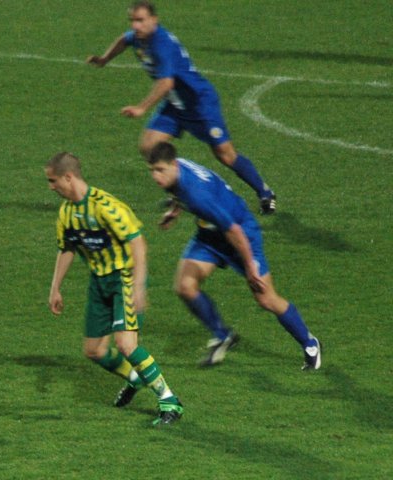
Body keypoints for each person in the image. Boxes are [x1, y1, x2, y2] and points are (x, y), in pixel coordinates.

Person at [87, 1, 277, 215]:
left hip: (199, 104)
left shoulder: (161, 43)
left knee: (225, 155)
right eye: (132, 20)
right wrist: (105, 59)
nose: (135, 25)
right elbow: (124, 40)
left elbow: (166, 82)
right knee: (149, 146)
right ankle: (178, 195)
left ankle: (265, 192)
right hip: (175, 104)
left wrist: (142, 108)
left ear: (154, 20)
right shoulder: (139, 37)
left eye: (140, 20)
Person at [146, 141, 321, 370]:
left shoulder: (197, 193)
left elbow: (234, 231)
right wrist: (174, 210)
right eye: (152, 171)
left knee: (266, 298)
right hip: (210, 235)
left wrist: (250, 267)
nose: (156, 177)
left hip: (241, 235)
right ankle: (222, 335)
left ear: (173, 165)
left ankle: (309, 343)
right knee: (184, 285)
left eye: (160, 170)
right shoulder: (177, 173)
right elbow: (179, 193)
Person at [45, 151, 184, 426]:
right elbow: (67, 248)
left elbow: (138, 244)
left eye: (53, 180)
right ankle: (135, 378)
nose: (51, 187)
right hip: (98, 282)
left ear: (68, 177)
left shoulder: (107, 207)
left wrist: (139, 286)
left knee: (126, 344)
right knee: (94, 351)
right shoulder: (67, 213)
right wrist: (55, 288)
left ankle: (169, 401)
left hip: (124, 278)